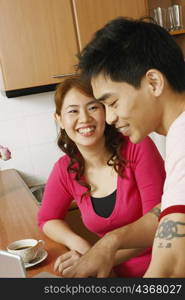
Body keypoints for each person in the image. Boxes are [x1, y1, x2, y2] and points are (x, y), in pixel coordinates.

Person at [61, 17, 185, 278]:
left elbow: (170, 268)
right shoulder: (175, 133)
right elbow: (169, 210)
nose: (108, 118)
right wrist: (110, 241)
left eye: (113, 102)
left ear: (153, 82)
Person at [37, 75, 165, 277]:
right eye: (73, 111)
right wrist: (80, 245)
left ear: (106, 111)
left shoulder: (138, 147)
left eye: (93, 107)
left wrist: (97, 257)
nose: (85, 118)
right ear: (60, 120)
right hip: (113, 274)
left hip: (163, 268)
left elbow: (159, 225)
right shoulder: (66, 169)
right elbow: (47, 219)